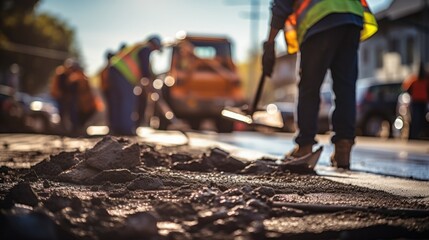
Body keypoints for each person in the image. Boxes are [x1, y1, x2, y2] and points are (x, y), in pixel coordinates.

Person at [262, 0, 377, 169]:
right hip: (351, 18)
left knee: (309, 86)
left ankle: (305, 146)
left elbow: (282, 5)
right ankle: (343, 150)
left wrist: (270, 43)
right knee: (345, 86)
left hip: (319, 20)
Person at [107, 35, 162, 135]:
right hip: (123, 74)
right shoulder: (146, 48)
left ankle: (116, 128)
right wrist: (148, 82)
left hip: (114, 69)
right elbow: (145, 68)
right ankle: (126, 130)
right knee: (128, 100)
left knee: (117, 101)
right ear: (154, 45)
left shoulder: (138, 46)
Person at [50, 58, 99, 136]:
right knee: (62, 114)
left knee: (73, 114)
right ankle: (63, 130)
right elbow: (60, 87)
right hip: (62, 98)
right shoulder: (61, 75)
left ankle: (74, 130)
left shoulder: (76, 76)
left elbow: (79, 88)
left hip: (71, 98)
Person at [402, 61, 429, 140]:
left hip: (418, 101)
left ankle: (416, 134)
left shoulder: (414, 79)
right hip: (420, 101)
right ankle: (417, 134)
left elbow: (406, 89)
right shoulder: (420, 79)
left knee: (416, 118)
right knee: (418, 118)